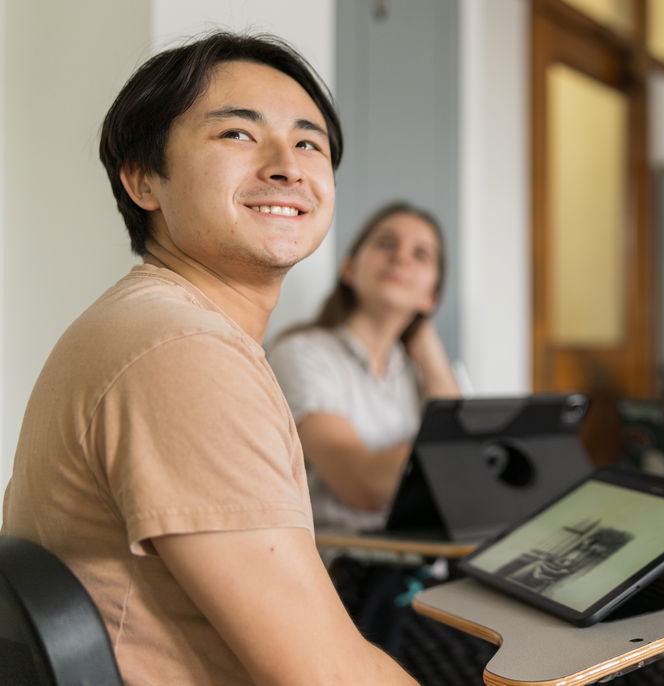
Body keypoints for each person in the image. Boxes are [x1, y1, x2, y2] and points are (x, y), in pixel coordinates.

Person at [1, 32, 417, 685]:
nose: (288, 165)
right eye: (238, 135)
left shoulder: (155, 324)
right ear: (142, 180)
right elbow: (325, 675)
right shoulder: (182, 353)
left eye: (309, 143)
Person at [268, 202, 460, 534]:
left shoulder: (418, 372)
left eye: (421, 255)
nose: (401, 258)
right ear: (349, 268)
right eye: (386, 243)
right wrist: (458, 455)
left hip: (418, 554)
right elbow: (362, 486)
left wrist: (433, 360)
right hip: (344, 566)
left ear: (431, 297)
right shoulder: (302, 354)